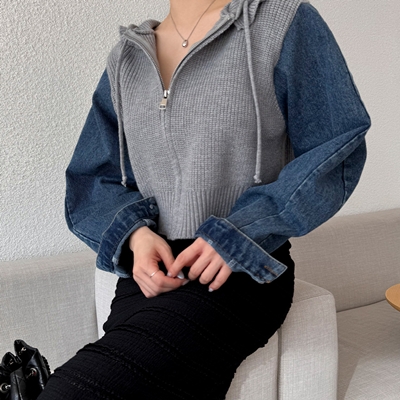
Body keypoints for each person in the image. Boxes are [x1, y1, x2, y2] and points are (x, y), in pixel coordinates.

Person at [38, 0, 370, 398]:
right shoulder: (126, 58)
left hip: (240, 274)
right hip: (149, 280)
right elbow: (91, 177)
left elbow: (336, 145)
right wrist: (135, 236)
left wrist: (241, 231)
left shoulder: (282, 22)